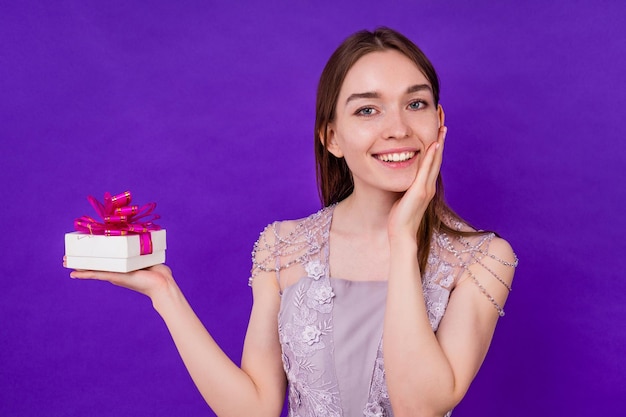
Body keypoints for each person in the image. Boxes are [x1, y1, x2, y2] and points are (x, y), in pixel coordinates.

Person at [67, 27, 517, 417]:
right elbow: (254, 409)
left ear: (439, 122)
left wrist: (403, 238)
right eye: (367, 110)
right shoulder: (283, 246)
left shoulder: (483, 259)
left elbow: (418, 407)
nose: (397, 128)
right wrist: (164, 294)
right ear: (332, 137)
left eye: (415, 104)